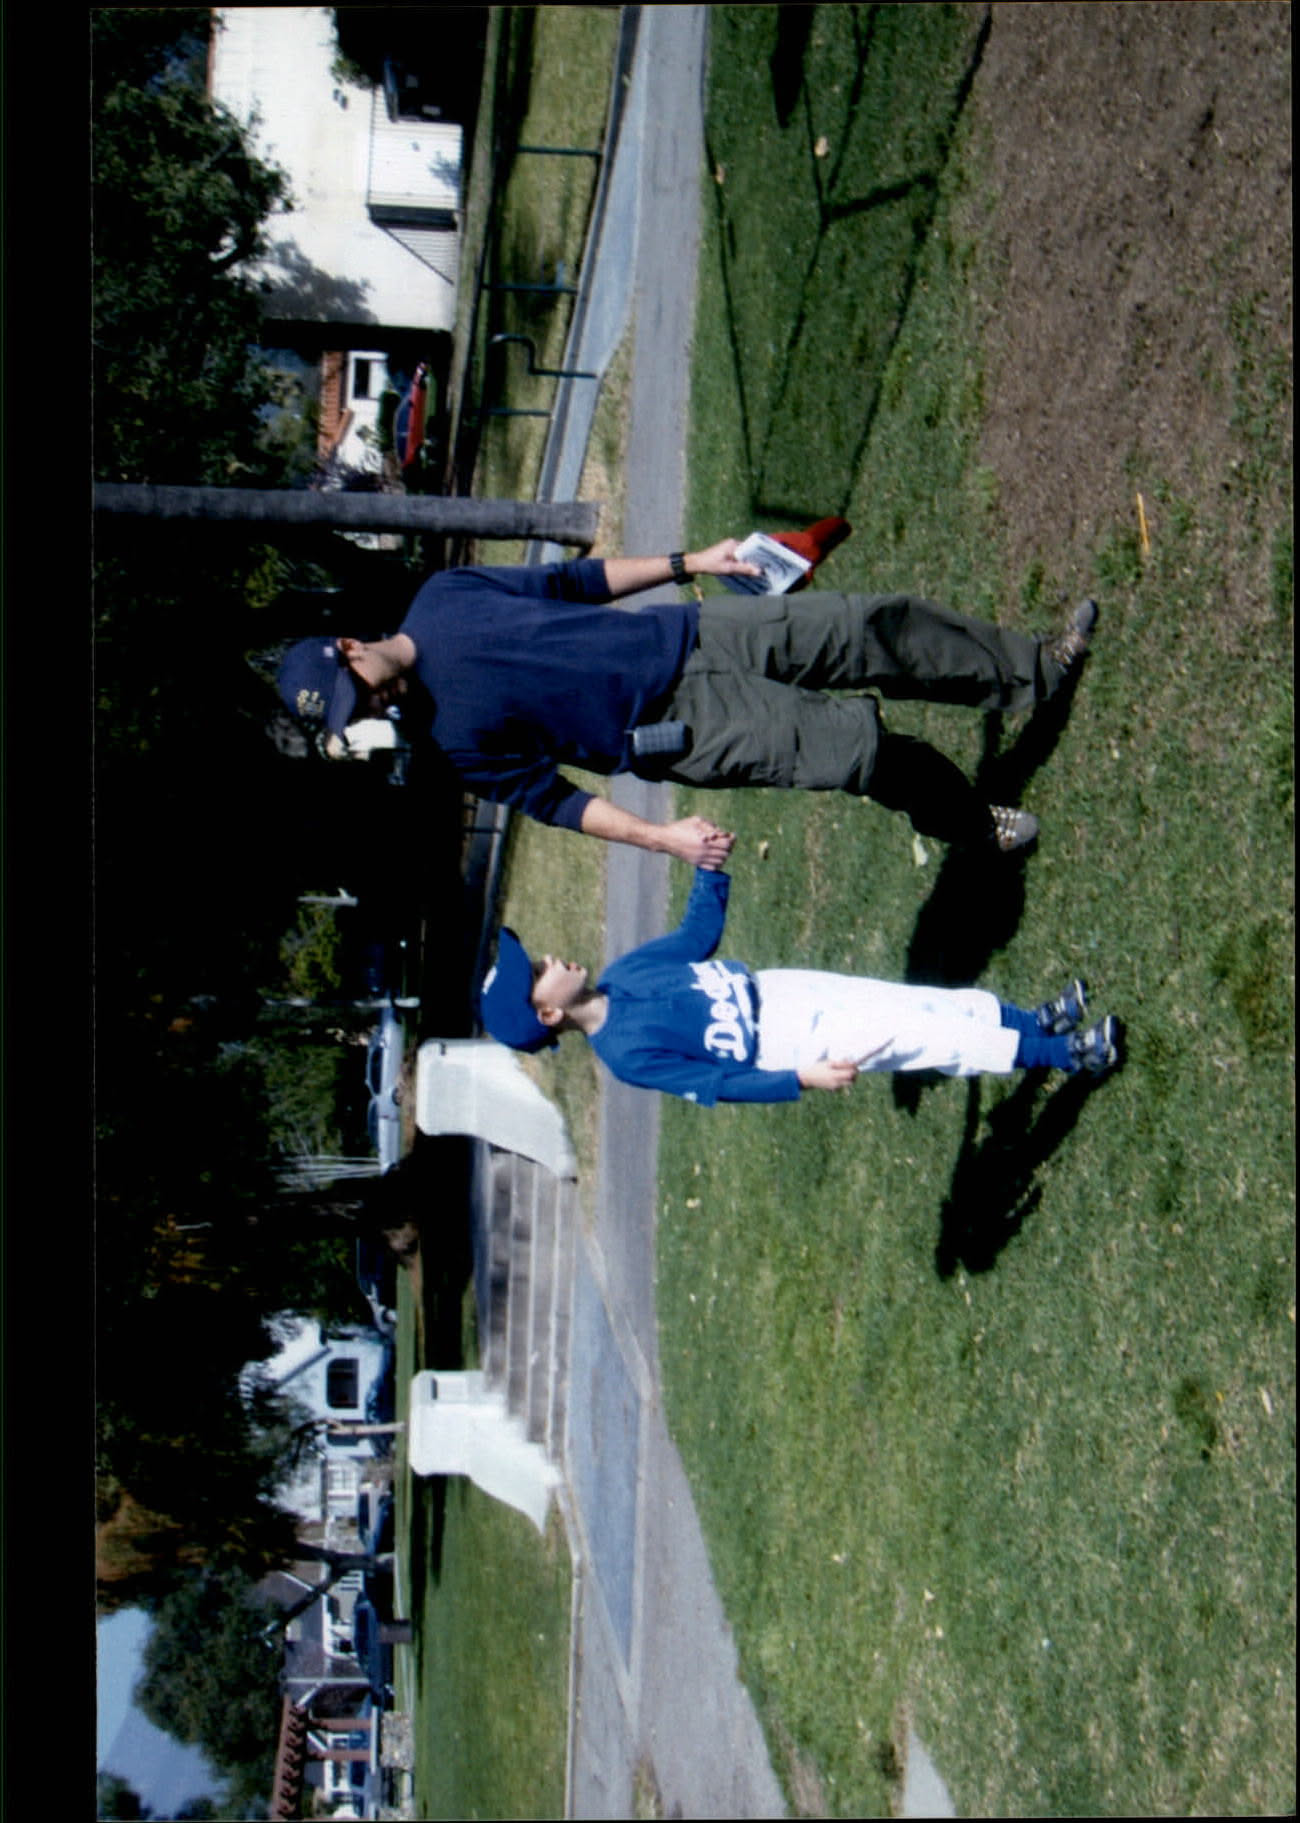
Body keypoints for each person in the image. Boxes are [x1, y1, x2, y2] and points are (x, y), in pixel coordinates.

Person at [277, 530, 1097, 870]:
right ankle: (971, 821)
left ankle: (1035, 671)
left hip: (693, 635)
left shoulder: (445, 595)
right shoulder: (449, 743)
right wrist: (661, 837)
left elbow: (572, 581)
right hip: (679, 727)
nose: (371, 707)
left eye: (358, 692)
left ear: (350, 646)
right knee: (855, 748)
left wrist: (690, 562)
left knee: (867, 627)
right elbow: (556, 801)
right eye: (357, 714)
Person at [479, 861, 1124, 1104]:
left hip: (780, 989)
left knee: (918, 1003)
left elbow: (695, 938)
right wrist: (801, 1079)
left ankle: (1031, 1024)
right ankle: (1067, 1054)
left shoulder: (623, 974)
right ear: (548, 1016)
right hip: (782, 1044)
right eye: (537, 973)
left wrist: (709, 870)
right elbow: (718, 1084)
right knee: (918, 1037)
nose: (549, 959)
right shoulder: (625, 1056)